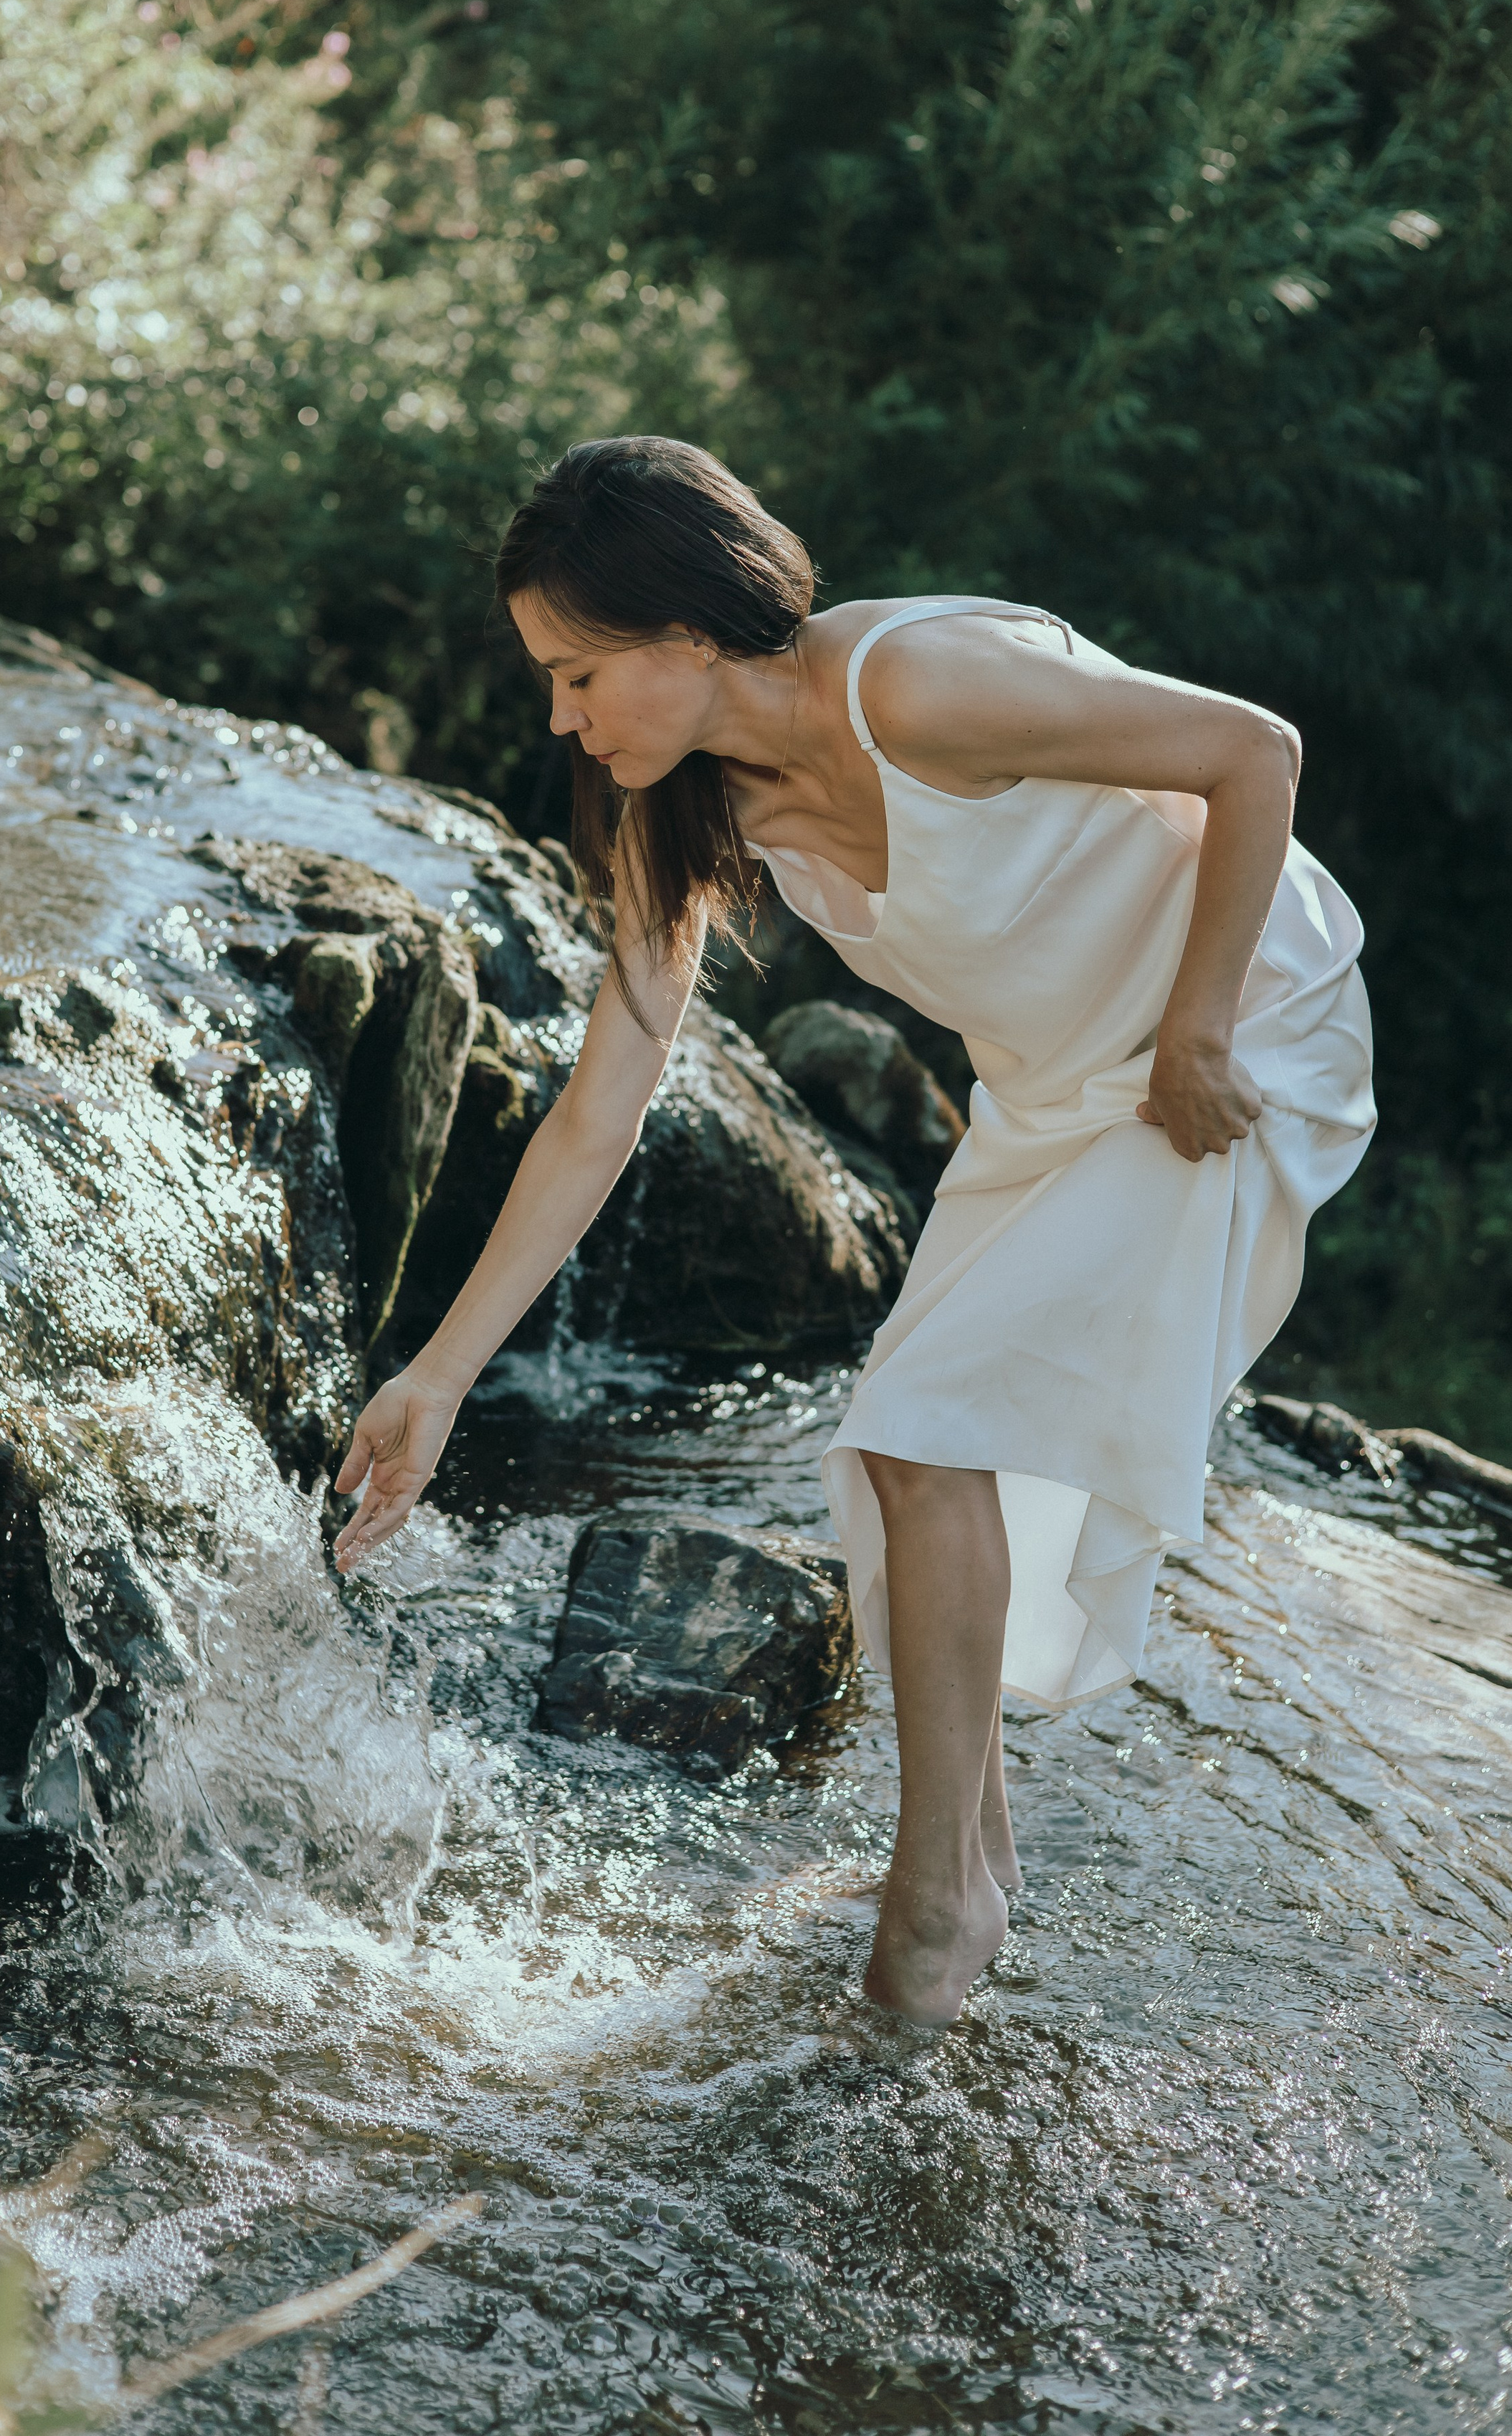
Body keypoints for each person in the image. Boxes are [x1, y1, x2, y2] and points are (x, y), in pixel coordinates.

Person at [331, 436, 1376, 2028]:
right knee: (893, 1458)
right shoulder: (679, 811)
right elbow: (597, 1115)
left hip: (1228, 1041)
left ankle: (932, 1907)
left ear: (688, 629)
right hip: (1051, 1098)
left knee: (921, 1433)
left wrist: (1201, 1026)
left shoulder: (913, 685)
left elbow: (1251, 753)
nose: (560, 716)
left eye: (577, 673)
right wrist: (439, 1376)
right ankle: (974, 1858)